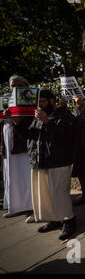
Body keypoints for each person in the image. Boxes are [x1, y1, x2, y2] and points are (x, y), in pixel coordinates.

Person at [16, 89, 77, 240]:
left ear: (51, 101)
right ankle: (54, 219)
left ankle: (69, 221)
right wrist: (17, 123)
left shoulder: (64, 115)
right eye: (38, 103)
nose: (40, 105)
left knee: (59, 193)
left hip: (58, 161)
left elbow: (65, 137)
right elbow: (29, 135)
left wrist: (48, 122)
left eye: (43, 102)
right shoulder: (38, 116)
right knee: (46, 194)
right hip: (40, 160)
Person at [1, 75, 33, 220]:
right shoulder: (5, 98)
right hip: (8, 137)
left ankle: (33, 206)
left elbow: (30, 120)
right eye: (12, 85)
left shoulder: (29, 98)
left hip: (22, 139)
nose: (14, 88)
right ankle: (16, 205)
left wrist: (15, 118)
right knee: (11, 172)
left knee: (26, 173)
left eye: (18, 85)